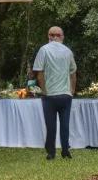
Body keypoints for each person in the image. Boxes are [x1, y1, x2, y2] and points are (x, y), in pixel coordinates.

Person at [33, 26, 77, 160]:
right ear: (61, 37)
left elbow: (39, 72)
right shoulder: (68, 51)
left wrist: (44, 90)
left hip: (50, 95)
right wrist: (72, 91)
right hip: (65, 94)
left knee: (50, 125)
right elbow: (73, 73)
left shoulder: (44, 50)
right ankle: (65, 150)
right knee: (65, 124)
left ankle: (51, 152)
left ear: (49, 36)